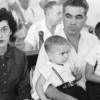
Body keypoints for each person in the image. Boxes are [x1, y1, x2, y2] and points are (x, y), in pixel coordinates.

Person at [32, 0, 99, 100]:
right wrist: (65, 98)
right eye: (68, 16)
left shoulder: (94, 41)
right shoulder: (51, 44)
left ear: (85, 19)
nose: (73, 22)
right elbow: (40, 83)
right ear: (62, 17)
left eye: (78, 17)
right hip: (62, 95)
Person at [36, 35, 87, 100]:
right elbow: (39, 85)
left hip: (76, 89)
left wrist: (78, 76)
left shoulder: (68, 64)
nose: (66, 56)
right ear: (50, 55)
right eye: (62, 53)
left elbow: (74, 79)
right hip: (62, 91)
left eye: (67, 52)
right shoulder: (48, 68)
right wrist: (43, 98)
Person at [0, 8, 31, 100]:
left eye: (4, 29)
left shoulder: (20, 56)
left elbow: (24, 89)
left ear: (10, 31)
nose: (0, 35)